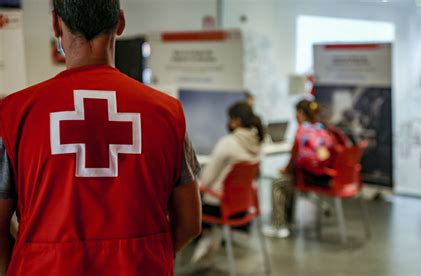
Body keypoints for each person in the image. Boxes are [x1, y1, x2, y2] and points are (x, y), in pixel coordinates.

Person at [0, 1, 202, 275]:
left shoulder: (13, 114)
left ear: (56, 24)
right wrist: (150, 255)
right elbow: (190, 223)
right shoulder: (168, 113)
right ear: (120, 22)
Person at [191, 102, 264, 264]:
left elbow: (206, 181)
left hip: (220, 207)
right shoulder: (258, 143)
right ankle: (210, 237)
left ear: (236, 121)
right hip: (244, 206)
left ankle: (206, 237)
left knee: (188, 199)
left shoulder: (228, 142)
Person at [263, 99, 335, 238]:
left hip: (306, 178)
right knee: (287, 182)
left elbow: (294, 157)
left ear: (300, 113)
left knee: (278, 184)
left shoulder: (302, 131)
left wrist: (286, 170)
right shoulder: (322, 128)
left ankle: (279, 226)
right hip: (323, 175)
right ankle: (287, 222)